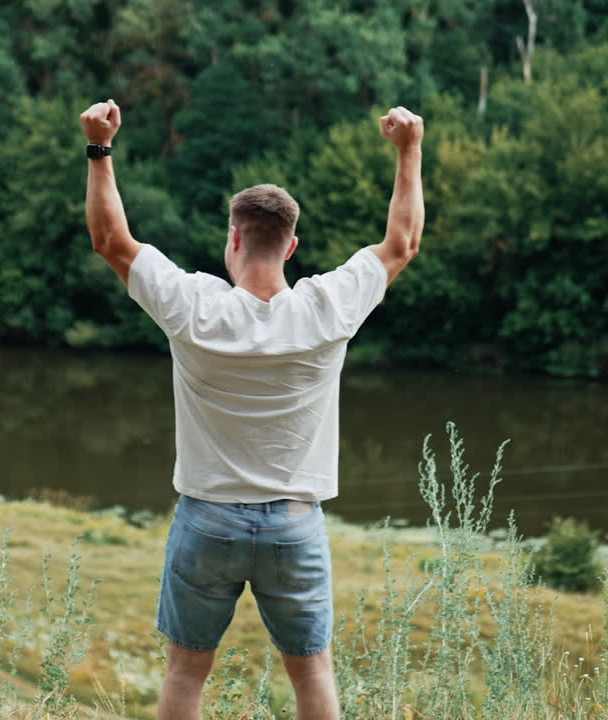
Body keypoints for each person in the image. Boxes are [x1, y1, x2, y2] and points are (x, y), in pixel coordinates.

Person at [80, 98, 424, 720]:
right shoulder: (328, 309)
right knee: (313, 675)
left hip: (207, 520)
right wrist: (409, 150)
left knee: (186, 675)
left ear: (233, 237)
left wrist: (100, 148)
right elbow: (401, 243)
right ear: (292, 246)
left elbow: (110, 240)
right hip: (295, 524)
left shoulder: (194, 307)